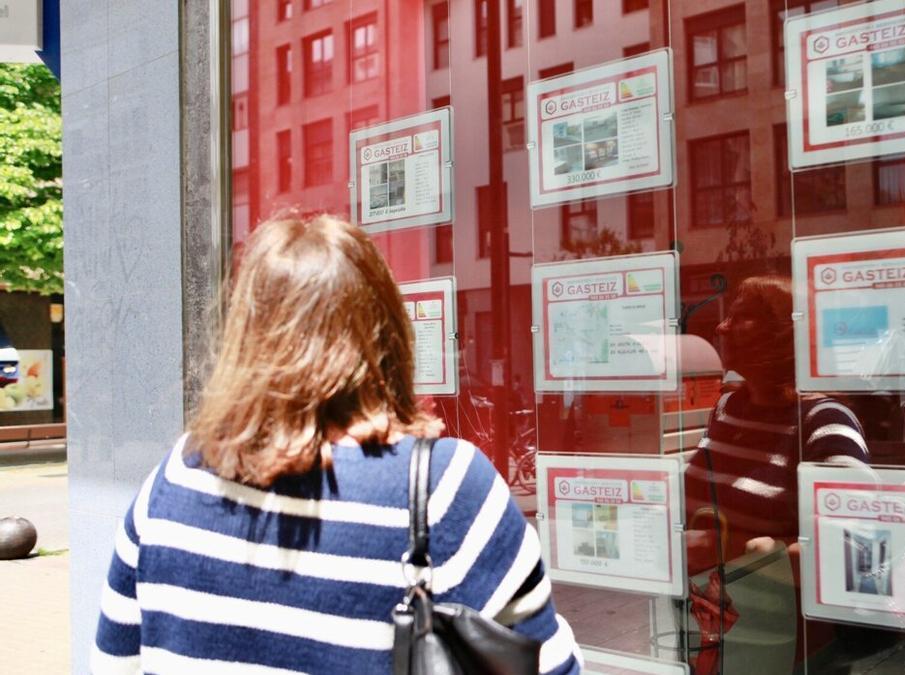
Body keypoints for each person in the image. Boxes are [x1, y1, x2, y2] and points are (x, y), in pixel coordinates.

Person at [91, 215, 581, 674]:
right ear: (389, 334)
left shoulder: (173, 479)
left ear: (244, 338)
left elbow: (113, 664)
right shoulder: (444, 487)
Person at [684, 275, 870, 673]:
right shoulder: (728, 408)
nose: (721, 326)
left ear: (786, 332)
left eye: (741, 317)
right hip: (709, 640)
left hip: (787, 653)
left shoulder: (825, 422)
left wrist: (729, 550)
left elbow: (855, 554)